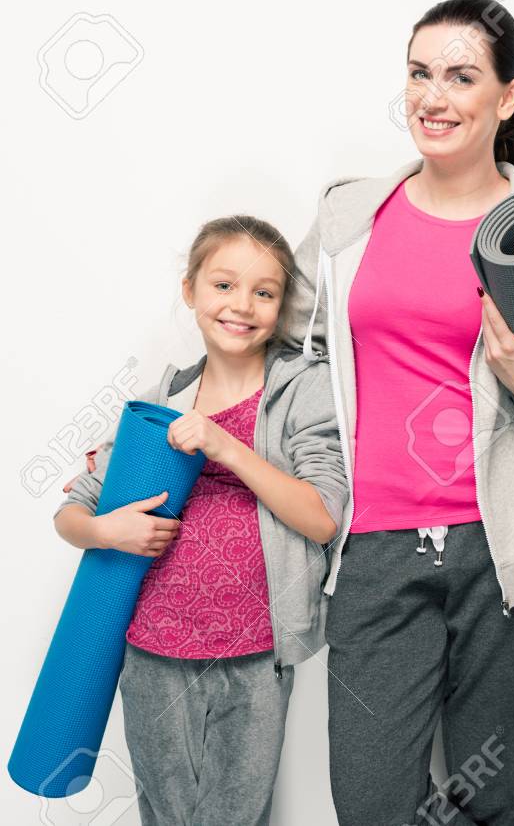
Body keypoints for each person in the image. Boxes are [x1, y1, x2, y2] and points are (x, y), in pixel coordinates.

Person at [274, 0, 514, 825]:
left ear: (507, 96)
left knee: (490, 804)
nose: (433, 97)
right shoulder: (350, 217)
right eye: (418, 73)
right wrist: (175, 413)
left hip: (510, 554)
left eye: (460, 76)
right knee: (373, 803)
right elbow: (270, 337)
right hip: (373, 554)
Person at [53, 215, 348, 826]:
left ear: (281, 305)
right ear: (190, 291)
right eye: (222, 285)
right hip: (153, 649)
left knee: (236, 816)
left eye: (263, 292)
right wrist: (108, 531)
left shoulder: (303, 389)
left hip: (255, 652)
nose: (241, 305)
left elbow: (322, 518)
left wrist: (228, 447)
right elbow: (74, 508)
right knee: (166, 814)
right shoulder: (163, 401)